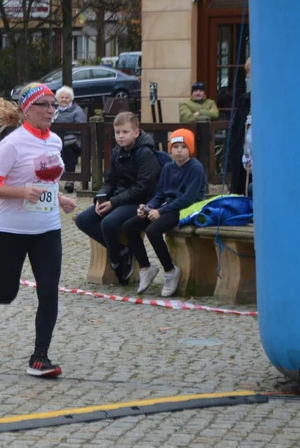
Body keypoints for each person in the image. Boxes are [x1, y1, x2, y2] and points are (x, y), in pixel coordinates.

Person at [0, 83, 78, 377]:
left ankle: (40, 358)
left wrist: (60, 199)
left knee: (49, 292)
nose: (51, 110)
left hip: (47, 228)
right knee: (8, 292)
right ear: (28, 110)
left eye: (54, 105)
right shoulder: (12, 144)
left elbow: (47, 183)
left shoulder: (55, 141)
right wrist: (21, 192)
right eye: (44, 105)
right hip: (9, 230)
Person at [74, 111, 162, 285]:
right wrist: (101, 198)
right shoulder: (117, 152)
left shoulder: (145, 153)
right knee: (83, 219)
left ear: (136, 133)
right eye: (117, 132)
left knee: (108, 222)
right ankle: (122, 251)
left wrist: (113, 202)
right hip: (118, 199)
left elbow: (142, 188)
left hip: (140, 201)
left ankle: (117, 261)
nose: (120, 136)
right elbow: (109, 180)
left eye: (125, 132)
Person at [123, 129, 207, 297]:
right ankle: (146, 267)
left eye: (184, 146)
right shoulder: (168, 167)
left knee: (153, 230)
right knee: (130, 226)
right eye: (175, 146)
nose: (179, 150)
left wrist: (159, 211)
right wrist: (147, 207)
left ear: (190, 149)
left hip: (185, 210)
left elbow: (188, 199)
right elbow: (160, 193)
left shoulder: (196, 168)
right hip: (167, 207)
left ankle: (170, 270)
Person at [53, 85, 86, 193]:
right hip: (55, 140)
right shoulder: (54, 110)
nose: (64, 100)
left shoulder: (77, 111)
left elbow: (80, 128)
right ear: (58, 99)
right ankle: (52, 180)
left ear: (71, 99)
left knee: (68, 149)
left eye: (66, 98)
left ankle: (70, 180)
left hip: (73, 141)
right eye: (62, 97)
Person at [228, 57, 252, 195]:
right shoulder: (244, 100)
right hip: (244, 158)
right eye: (249, 74)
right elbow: (236, 130)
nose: (249, 78)